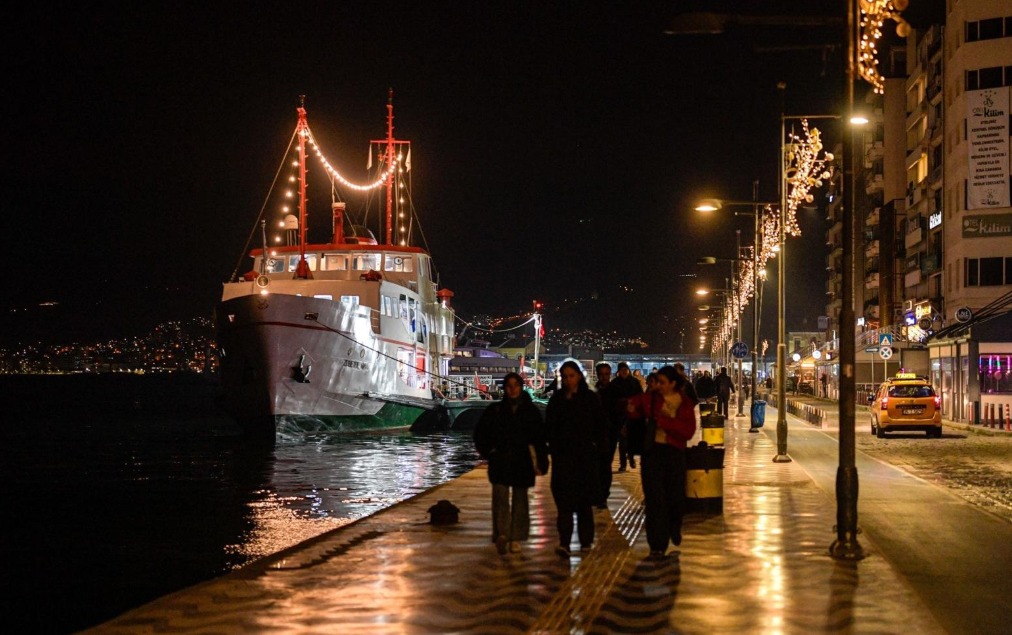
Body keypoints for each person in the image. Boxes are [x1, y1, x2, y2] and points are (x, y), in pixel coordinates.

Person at [473, 372, 548, 555]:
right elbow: (480, 434)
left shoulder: (531, 411)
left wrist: (541, 461)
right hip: (501, 459)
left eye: (516, 385)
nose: (512, 389)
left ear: (521, 387)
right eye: (509, 386)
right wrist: (489, 452)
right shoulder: (495, 410)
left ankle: (516, 537)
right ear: (505, 388)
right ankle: (503, 534)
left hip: (522, 460)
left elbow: (539, 438)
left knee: (520, 499)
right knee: (500, 497)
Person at [627, 365, 697, 557]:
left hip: (674, 454)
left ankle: (675, 526)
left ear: (673, 384)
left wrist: (665, 422)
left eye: (662, 382)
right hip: (653, 453)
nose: (658, 385)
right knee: (654, 500)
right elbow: (632, 407)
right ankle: (657, 545)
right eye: (656, 382)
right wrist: (630, 409)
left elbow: (688, 431)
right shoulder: (650, 399)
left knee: (675, 498)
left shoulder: (684, 403)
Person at [545, 360, 609, 557]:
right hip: (563, 457)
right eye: (564, 376)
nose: (568, 380)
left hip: (584, 457)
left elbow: (600, 427)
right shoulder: (557, 400)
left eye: (571, 376)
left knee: (584, 503)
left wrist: (600, 450)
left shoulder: (590, 399)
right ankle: (564, 542)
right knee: (564, 503)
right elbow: (549, 428)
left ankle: (585, 541)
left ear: (579, 376)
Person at [610, 362, 644, 472]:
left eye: (625, 369)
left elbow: (640, 397)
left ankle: (631, 458)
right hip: (619, 416)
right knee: (622, 441)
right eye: (622, 370)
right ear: (619, 371)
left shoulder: (634, 382)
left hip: (632, 415)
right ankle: (623, 463)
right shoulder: (615, 383)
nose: (624, 372)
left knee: (631, 440)